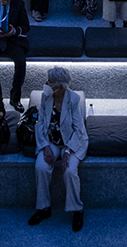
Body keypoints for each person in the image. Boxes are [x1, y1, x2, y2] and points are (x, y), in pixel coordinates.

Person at [26, 66, 88, 232]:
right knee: (41, 167)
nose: (46, 83)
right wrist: (45, 147)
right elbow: (40, 124)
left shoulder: (73, 99)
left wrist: (68, 150)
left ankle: (77, 210)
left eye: (50, 81)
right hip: (51, 141)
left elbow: (79, 130)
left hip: (72, 142)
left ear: (60, 86)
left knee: (69, 171)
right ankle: (44, 208)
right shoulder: (46, 97)